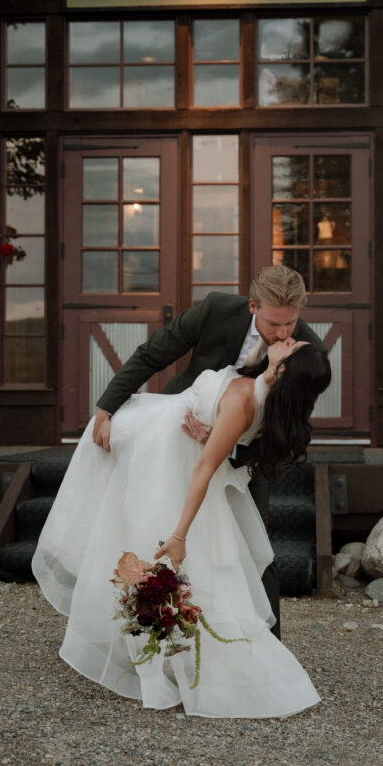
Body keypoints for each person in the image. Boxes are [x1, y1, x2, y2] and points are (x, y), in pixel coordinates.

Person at [32, 336, 331, 718]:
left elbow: (205, 467)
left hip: (164, 461)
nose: (286, 337)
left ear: (284, 368)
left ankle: (168, 659)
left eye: (291, 343)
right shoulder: (264, 384)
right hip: (154, 439)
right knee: (128, 537)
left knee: (159, 552)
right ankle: (148, 650)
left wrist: (179, 535)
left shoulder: (244, 401)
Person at [91, 264, 327, 637]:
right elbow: (153, 354)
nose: (282, 334)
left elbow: (286, 429)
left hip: (248, 454)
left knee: (254, 547)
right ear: (253, 306)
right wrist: (106, 409)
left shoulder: (307, 352)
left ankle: (266, 647)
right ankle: (144, 636)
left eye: (290, 323)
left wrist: (227, 443)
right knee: (154, 529)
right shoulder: (216, 310)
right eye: (272, 324)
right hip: (174, 435)